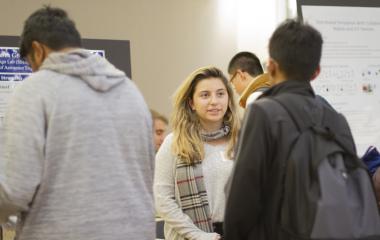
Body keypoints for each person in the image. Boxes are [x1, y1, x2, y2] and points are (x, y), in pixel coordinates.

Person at [0, 6, 155, 240]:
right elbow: (145, 175)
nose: (34, 70)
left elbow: (14, 191)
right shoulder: (131, 92)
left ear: (37, 50)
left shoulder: (35, 90)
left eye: (31, 64)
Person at [224, 19, 358, 239]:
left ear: (271, 66)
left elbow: (242, 196)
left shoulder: (263, 113)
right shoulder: (336, 120)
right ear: (316, 72)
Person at [154, 66, 240, 240]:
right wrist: (198, 236)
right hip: (189, 236)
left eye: (220, 94)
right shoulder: (174, 142)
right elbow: (163, 200)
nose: (214, 101)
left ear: (229, 100)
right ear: (192, 103)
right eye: (205, 95)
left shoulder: (242, 141)